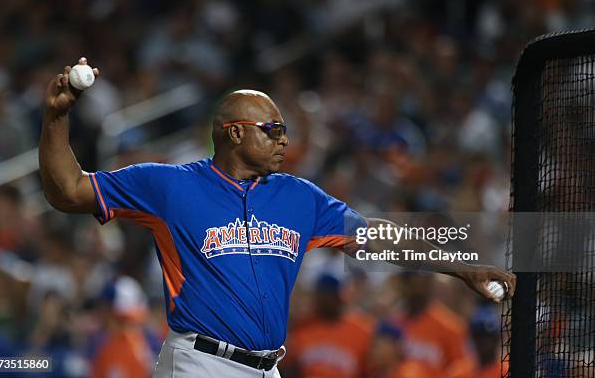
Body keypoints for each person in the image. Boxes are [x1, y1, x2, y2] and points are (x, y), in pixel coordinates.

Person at [39, 59, 516, 377]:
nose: (284, 140)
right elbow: (69, 191)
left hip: (268, 368)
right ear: (234, 133)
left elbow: (380, 238)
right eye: (273, 130)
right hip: (200, 363)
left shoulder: (299, 198)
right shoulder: (170, 186)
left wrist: (463, 267)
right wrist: (57, 119)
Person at [282, 273, 374, 378]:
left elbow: (371, 370)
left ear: (339, 298)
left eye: (328, 297)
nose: (324, 301)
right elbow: (286, 366)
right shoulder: (302, 328)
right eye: (320, 297)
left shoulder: (362, 330)